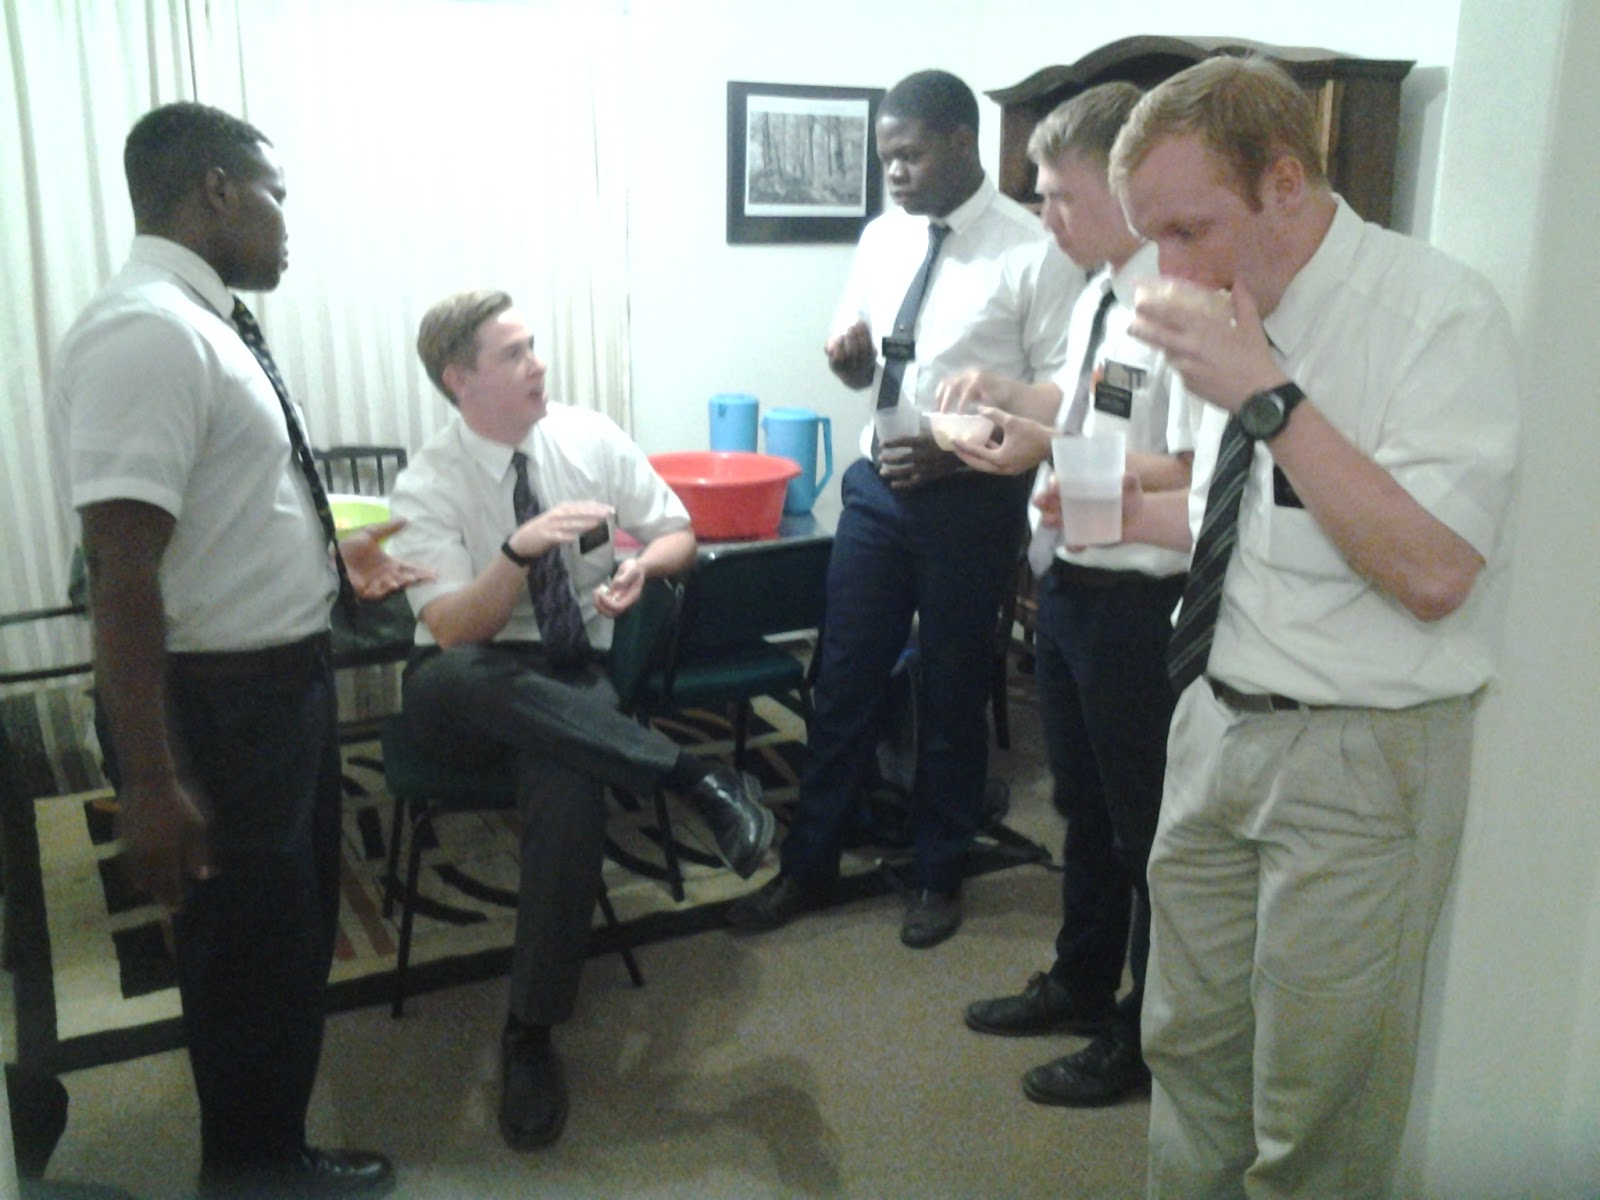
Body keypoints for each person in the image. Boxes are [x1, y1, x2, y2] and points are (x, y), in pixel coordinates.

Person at [1101, 56, 1519, 1195]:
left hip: (1353, 760)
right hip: (1213, 724)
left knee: (1318, 1114)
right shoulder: (1232, 311)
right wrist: (1127, 502)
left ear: (1284, 181)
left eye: (1188, 230)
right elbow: (1247, 521)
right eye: (1151, 237)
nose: (1168, 269)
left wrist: (1268, 399)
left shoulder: (1434, 315)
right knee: (1186, 1058)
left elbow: (1433, 571)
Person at [49, 102, 423, 1198]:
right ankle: (253, 1171)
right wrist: (151, 779)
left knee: (285, 941)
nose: (287, 223)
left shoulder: (205, 324)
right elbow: (120, 571)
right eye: (276, 196)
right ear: (216, 189)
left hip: (277, 690)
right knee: (247, 957)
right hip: (221, 708)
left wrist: (328, 565)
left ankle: (269, 1152)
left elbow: (220, 515)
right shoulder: (147, 332)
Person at [385, 289, 775, 1152]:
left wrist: (644, 570)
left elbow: (676, 530)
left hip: (569, 673)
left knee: (568, 785)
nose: (539, 366)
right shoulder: (428, 483)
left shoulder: (588, 436)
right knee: (460, 677)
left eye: (534, 346)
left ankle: (530, 1031)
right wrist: (515, 554)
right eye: (514, 354)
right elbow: (452, 628)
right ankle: (693, 776)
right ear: (459, 380)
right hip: (468, 683)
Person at [727, 69, 1080, 949]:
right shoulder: (883, 237)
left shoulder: (1032, 250)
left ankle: (937, 871)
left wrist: (955, 448)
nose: (893, 171)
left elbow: (1059, 395)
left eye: (910, 154)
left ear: (962, 141)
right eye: (885, 157)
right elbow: (867, 360)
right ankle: (809, 864)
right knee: (843, 679)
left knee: (954, 687)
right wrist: (847, 362)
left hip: (973, 500)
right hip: (877, 489)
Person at [938, 83, 1191, 1107]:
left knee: (1146, 828)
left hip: (1137, 600)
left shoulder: (1181, 307)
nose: (1044, 217)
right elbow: (1085, 409)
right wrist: (1011, 404)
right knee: (1083, 808)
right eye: (1040, 196)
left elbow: (1196, 467)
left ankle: (1143, 1029)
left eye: (1061, 197)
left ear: (1129, 192)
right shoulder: (1098, 293)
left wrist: (1057, 464)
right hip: (1071, 580)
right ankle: (1082, 980)